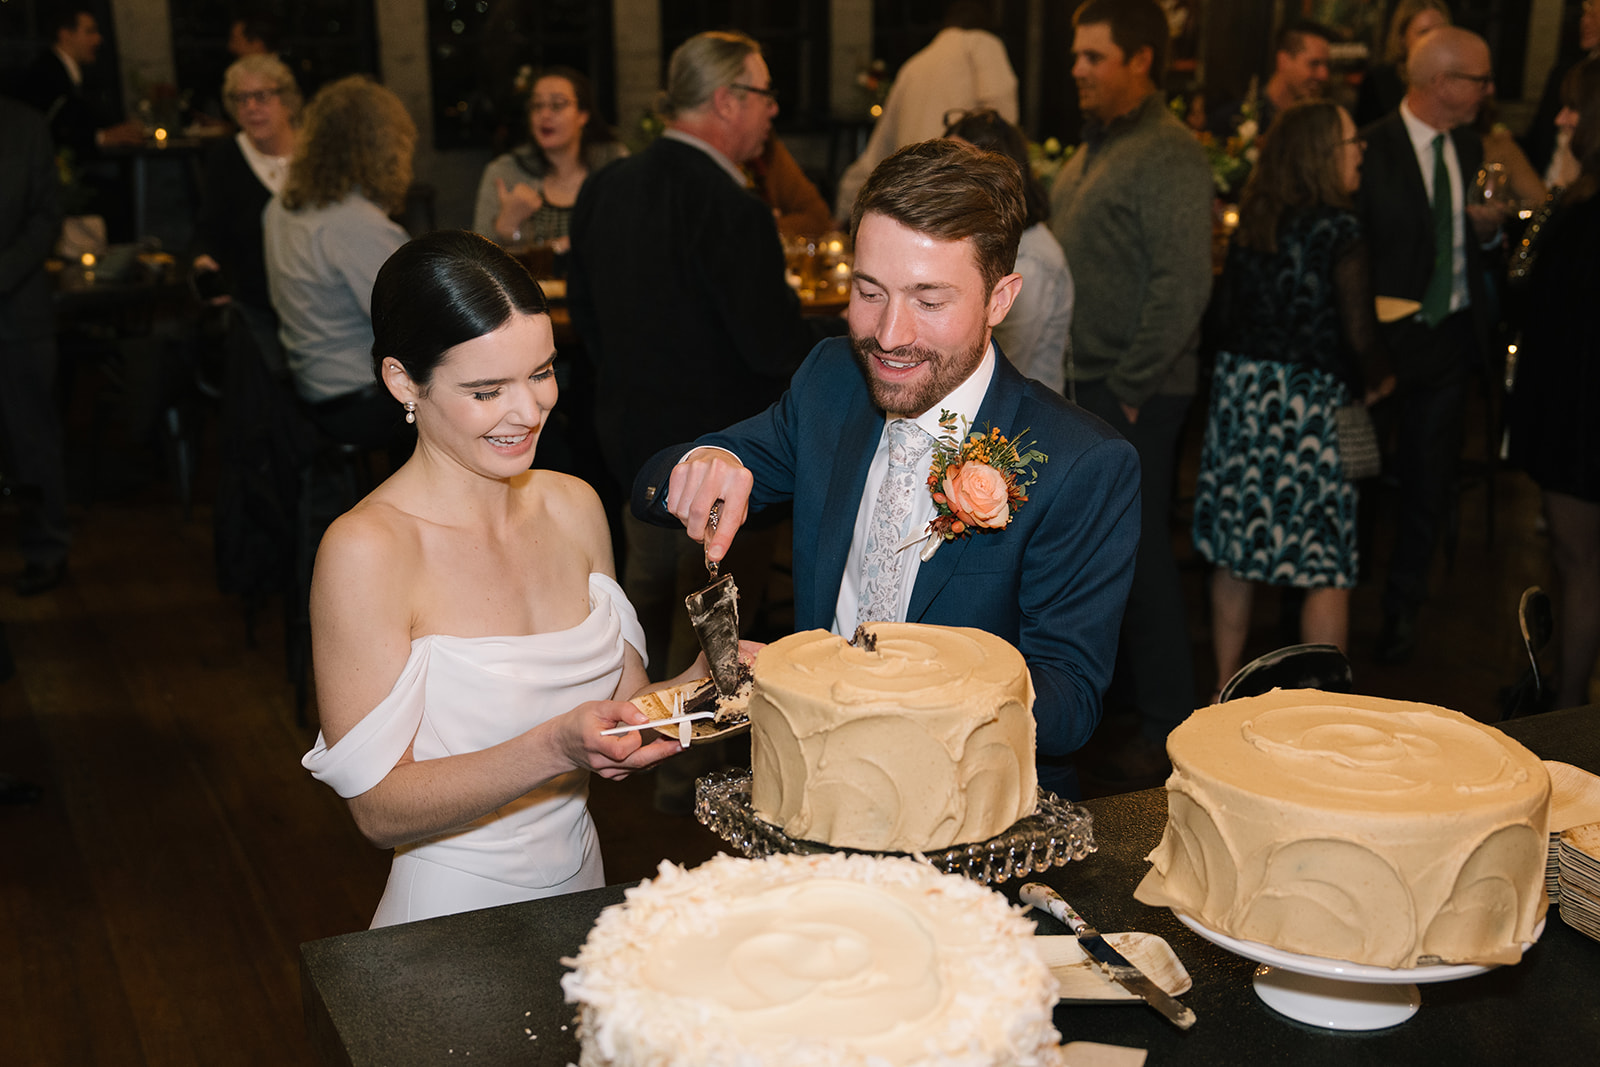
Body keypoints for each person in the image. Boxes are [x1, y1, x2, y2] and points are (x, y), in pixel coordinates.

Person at [633, 139, 1141, 800]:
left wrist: (883, 690)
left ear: (1000, 298)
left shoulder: (1082, 463)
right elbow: (652, 484)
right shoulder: (830, 381)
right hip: (813, 790)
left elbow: (1069, 707)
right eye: (869, 292)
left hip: (970, 814)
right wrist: (707, 461)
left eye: (929, 301)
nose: (891, 334)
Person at [301, 230, 720, 927]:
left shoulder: (574, 504)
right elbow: (377, 811)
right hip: (450, 916)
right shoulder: (367, 549)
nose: (528, 411)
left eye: (542, 372)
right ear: (404, 381)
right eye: (486, 389)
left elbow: (625, 710)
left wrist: (712, 686)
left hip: (586, 886)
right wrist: (553, 745)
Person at [568, 31, 842, 680]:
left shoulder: (605, 185)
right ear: (727, 100)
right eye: (765, 94)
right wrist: (843, 337)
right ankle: (684, 781)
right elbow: (773, 349)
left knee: (636, 627)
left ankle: (629, 746)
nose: (773, 110)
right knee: (715, 661)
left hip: (636, 457)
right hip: (723, 476)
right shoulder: (733, 209)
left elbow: (585, 319)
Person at [1048, 0, 1213, 782]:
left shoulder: (1168, 153)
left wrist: (1133, 385)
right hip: (1097, 388)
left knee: (1142, 563)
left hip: (1136, 389)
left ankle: (1171, 726)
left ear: (1141, 61)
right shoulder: (1101, 147)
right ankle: (1127, 705)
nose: (1077, 69)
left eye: (1094, 57)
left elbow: (1185, 283)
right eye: (1076, 56)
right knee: (1106, 558)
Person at [1193, 102, 1394, 694]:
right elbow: (1358, 334)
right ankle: (1322, 708)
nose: (1362, 152)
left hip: (1245, 400)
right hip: (1309, 411)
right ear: (1321, 155)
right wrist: (1384, 377)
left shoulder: (1255, 219)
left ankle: (1221, 694)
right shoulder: (1341, 230)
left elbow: (1224, 317)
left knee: (1235, 556)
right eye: (1353, 143)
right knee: (1325, 563)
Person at [1355, 26, 1501, 664]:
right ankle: (1333, 608)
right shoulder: (1371, 147)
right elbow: (1354, 254)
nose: (1488, 91)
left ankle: (1403, 613)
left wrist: (1489, 235)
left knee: (1428, 480)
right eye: (1479, 79)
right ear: (1441, 82)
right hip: (1380, 346)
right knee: (1357, 479)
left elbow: (1479, 249)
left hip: (1450, 339)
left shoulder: (1473, 148)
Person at [1508, 57, 1600, 709]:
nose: (1561, 118)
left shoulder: (1589, 213)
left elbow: (1552, 309)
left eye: (1574, 107)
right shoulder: (1581, 198)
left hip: (1583, 417)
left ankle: (1570, 711)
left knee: (1580, 565)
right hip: (1577, 408)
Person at [263, 76, 417, 452]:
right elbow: (416, 323)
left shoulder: (279, 208)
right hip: (359, 399)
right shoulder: (356, 223)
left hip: (309, 386)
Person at [833, 1, 1018, 221]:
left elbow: (877, 152)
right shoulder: (983, 44)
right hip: (954, 201)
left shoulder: (912, 66)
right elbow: (1003, 123)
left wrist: (841, 212)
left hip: (907, 201)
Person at [942, 108, 1074, 394]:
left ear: (1002, 175)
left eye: (962, 168)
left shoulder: (1032, 258)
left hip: (1023, 423)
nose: (947, 181)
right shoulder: (981, 236)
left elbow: (1003, 366)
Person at [0, 97, 70, 596]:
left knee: (32, 441)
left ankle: (46, 549)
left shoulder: (25, 127)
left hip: (17, 313)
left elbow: (47, 218)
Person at [192, 53, 302, 358]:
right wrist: (203, 263)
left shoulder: (314, 154)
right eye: (241, 99)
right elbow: (209, 229)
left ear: (287, 100)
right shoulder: (226, 158)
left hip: (318, 302)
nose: (251, 107)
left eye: (261, 96)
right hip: (258, 305)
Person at [472, 67, 626, 261]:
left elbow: (634, 238)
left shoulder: (614, 169)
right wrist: (507, 227)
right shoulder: (505, 173)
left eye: (557, 105)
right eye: (537, 105)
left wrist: (571, 243)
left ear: (583, 115)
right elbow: (477, 265)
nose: (544, 114)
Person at [13, 5, 142, 158]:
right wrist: (101, 137)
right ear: (65, 35)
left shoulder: (68, 72)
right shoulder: (46, 73)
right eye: (90, 31)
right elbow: (50, 128)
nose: (98, 39)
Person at [1208, 19, 1334, 140]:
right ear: (1283, 61)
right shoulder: (1232, 121)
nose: (1324, 75)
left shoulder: (1325, 125)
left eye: (1327, 65)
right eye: (1314, 63)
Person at [1524, 0, 1600, 182]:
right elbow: (1538, 142)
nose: (1585, 22)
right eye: (1583, 14)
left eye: (1593, 15)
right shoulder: (1564, 73)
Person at [1354, 0, 1452, 128]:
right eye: (1424, 32)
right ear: (1402, 38)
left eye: (1440, 31)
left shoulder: (1461, 79)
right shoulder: (1380, 82)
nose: (1433, 39)